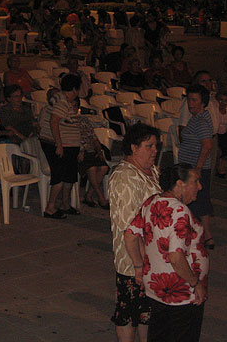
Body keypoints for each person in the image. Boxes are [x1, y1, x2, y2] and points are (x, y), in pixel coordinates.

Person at [125, 163, 208, 342]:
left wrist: (139, 266)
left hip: (156, 287)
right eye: (195, 181)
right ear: (180, 184)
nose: (200, 187)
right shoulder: (180, 211)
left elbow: (130, 234)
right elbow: (176, 257)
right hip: (181, 291)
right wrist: (196, 283)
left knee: (159, 334)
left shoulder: (152, 201)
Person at [109, 122, 161, 342]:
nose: (155, 151)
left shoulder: (150, 170)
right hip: (133, 260)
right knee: (129, 313)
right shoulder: (126, 177)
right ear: (133, 147)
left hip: (152, 256)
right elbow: (130, 226)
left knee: (146, 313)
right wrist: (140, 264)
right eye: (149, 146)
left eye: (155, 146)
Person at [178, 84, 215, 249]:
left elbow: (207, 145)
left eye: (194, 100)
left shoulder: (201, 121)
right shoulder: (197, 118)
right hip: (191, 168)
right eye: (189, 100)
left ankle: (202, 236)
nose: (190, 103)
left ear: (202, 102)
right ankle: (204, 236)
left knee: (197, 202)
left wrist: (197, 169)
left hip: (195, 169)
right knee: (199, 202)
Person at [40, 74, 82, 219]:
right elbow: (54, 122)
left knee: (69, 176)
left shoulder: (65, 101)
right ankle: (50, 208)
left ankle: (65, 204)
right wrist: (59, 145)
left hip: (69, 145)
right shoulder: (61, 101)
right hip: (57, 144)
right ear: (75, 89)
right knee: (58, 176)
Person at [75, 99, 109, 209]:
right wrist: (80, 151)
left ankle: (88, 195)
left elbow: (94, 138)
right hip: (79, 151)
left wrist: (99, 151)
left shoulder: (84, 120)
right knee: (92, 168)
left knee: (103, 167)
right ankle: (101, 198)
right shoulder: (67, 121)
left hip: (91, 150)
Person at [215, 91, 227, 178]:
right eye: (221, 100)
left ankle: (222, 168)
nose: (223, 103)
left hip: (224, 133)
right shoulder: (213, 108)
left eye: (226, 101)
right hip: (214, 132)